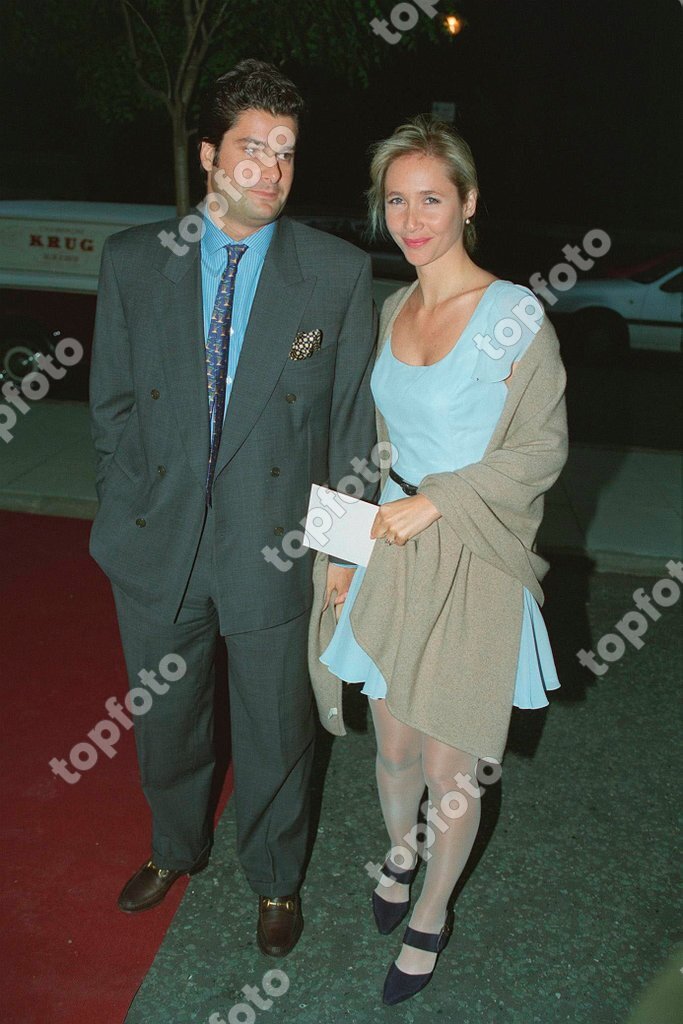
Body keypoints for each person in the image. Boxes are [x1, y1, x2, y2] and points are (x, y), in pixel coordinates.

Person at [89, 59, 376, 958]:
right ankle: (175, 847)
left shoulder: (332, 274)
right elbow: (112, 409)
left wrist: (340, 554)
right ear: (209, 154)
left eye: (286, 154)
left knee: (275, 727)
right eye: (252, 149)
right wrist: (129, 507)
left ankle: (276, 879)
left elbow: (348, 428)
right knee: (167, 716)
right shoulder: (137, 261)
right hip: (157, 545)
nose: (270, 170)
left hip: (275, 547)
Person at [310, 115, 568, 1004]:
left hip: (472, 559)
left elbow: (541, 450)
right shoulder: (394, 306)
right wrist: (345, 550)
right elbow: (375, 443)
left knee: (451, 772)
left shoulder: (511, 316)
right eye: (395, 201)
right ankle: (396, 854)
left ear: (467, 203)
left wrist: (439, 499)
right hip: (390, 550)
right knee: (391, 754)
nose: (412, 219)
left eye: (431, 198)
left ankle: (431, 910)